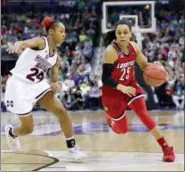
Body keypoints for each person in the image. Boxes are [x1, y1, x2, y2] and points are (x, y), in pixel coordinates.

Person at [4, 17, 87, 160]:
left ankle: (72, 148)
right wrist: (18, 44)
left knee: (62, 112)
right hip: (19, 85)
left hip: (37, 85)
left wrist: (56, 85)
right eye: (61, 31)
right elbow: (26, 43)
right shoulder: (41, 42)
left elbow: (54, 80)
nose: (64, 34)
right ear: (51, 32)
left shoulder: (56, 59)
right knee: (28, 129)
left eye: (65, 32)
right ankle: (11, 132)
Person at [101, 19, 175, 162]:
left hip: (131, 86)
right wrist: (121, 87)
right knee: (122, 130)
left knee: (144, 114)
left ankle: (166, 148)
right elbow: (105, 78)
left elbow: (144, 66)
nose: (122, 35)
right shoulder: (111, 51)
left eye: (125, 32)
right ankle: (110, 120)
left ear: (130, 34)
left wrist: (155, 66)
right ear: (115, 34)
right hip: (113, 92)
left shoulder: (134, 47)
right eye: (119, 33)